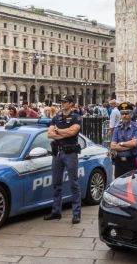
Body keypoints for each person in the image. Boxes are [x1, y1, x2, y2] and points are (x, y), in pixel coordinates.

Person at [44, 95, 83, 224]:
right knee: (56, 184)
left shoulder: (76, 117)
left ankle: (76, 213)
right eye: (62, 102)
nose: (62, 104)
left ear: (71, 104)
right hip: (57, 154)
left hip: (70, 153)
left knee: (73, 184)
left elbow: (72, 132)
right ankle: (56, 211)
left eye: (65, 102)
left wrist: (58, 131)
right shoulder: (56, 117)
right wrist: (63, 132)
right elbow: (49, 134)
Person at [110, 103, 137, 178]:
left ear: (131, 115)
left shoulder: (136, 127)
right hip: (119, 162)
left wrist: (120, 143)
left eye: (126, 113)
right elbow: (113, 146)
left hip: (132, 161)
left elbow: (134, 143)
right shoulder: (117, 127)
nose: (124, 116)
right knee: (119, 184)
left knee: (132, 184)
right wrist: (128, 145)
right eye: (122, 113)